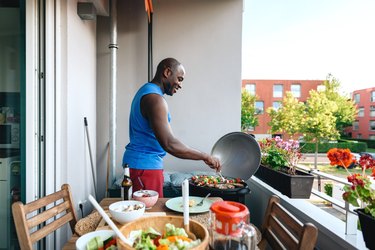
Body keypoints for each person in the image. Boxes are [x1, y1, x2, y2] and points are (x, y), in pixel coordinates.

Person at [122, 57, 221, 197]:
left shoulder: (146, 92)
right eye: (179, 79)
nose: (180, 85)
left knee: (150, 215)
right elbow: (169, 144)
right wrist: (205, 156)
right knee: (151, 216)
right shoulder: (155, 99)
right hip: (144, 167)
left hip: (142, 165)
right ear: (167, 72)